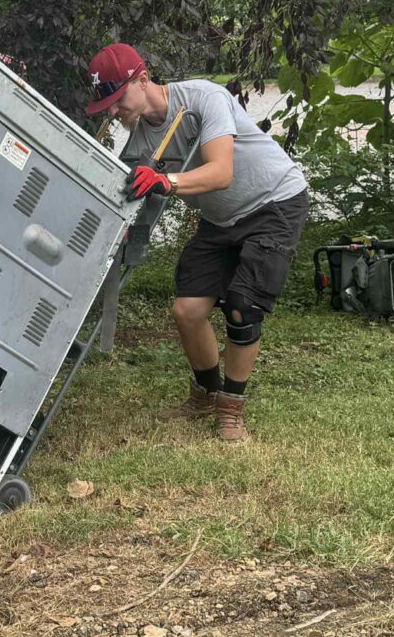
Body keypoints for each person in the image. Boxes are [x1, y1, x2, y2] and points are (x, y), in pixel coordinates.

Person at [84, 43, 309, 441]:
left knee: (242, 307)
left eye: (117, 100)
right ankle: (205, 394)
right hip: (221, 219)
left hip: (274, 203)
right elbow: (128, 194)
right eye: (107, 106)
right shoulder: (140, 141)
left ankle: (230, 409)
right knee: (186, 311)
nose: (114, 112)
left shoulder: (204, 98)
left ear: (142, 79)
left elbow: (221, 172)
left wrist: (165, 181)